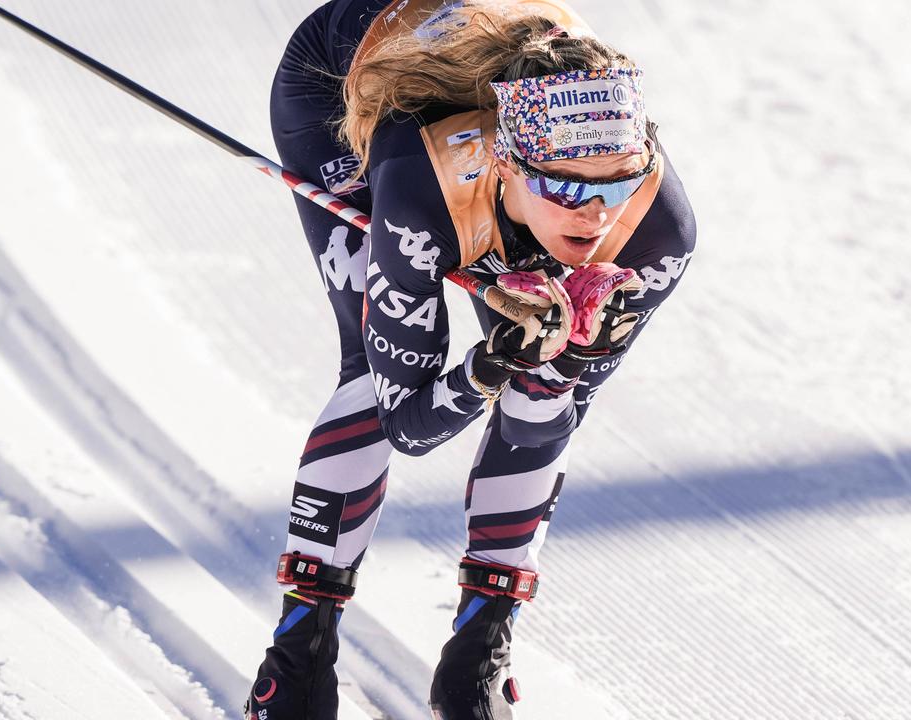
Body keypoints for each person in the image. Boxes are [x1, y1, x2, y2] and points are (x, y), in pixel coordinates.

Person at [248, 0, 695, 717]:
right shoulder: (425, 182)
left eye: (618, 183)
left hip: (498, 96)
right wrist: (486, 365)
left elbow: (542, 417)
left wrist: (572, 356)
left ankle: (480, 644)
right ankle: (298, 653)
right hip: (344, 72)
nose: (597, 215)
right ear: (507, 163)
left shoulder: (655, 228)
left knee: (549, 388)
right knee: (370, 373)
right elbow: (410, 426)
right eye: (570, 188)